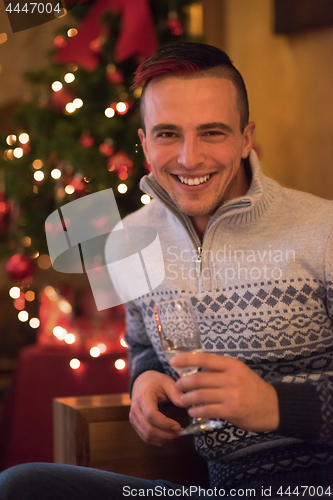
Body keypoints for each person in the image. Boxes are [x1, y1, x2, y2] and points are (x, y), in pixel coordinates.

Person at [0, 42, 332, 499]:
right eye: (168, 134)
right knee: (22, 486)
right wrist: (143, 381)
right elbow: (143, 346)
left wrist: (276, 404)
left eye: (212, 132)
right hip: (217, 489)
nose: (189, 158)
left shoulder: (324, 231)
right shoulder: (125, 238)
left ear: (246, 137)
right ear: (144, 143)